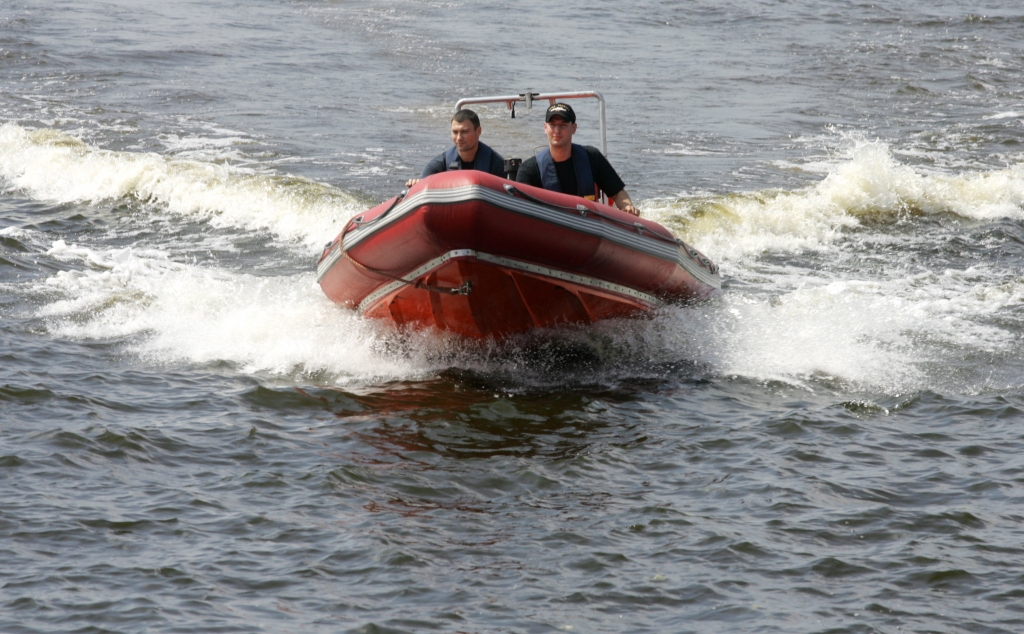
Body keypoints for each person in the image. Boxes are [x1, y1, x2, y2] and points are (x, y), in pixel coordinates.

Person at [515, 102, 638, 216]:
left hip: (587, 226)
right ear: (545, 127)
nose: (557, 131)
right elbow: (522, 209)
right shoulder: (529, 169)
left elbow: (617, 193)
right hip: (549, 228)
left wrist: (628, 208)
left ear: (574, 128)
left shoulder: (592, 157)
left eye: (563, 125)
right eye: (552, 125)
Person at [405, 109, 505, 187]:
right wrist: (417, 184)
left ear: (478, 131)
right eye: (455, 132)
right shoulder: (438, 165)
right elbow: (423, 188)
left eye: (465, 132)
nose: (459, 138)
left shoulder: (496, 164)